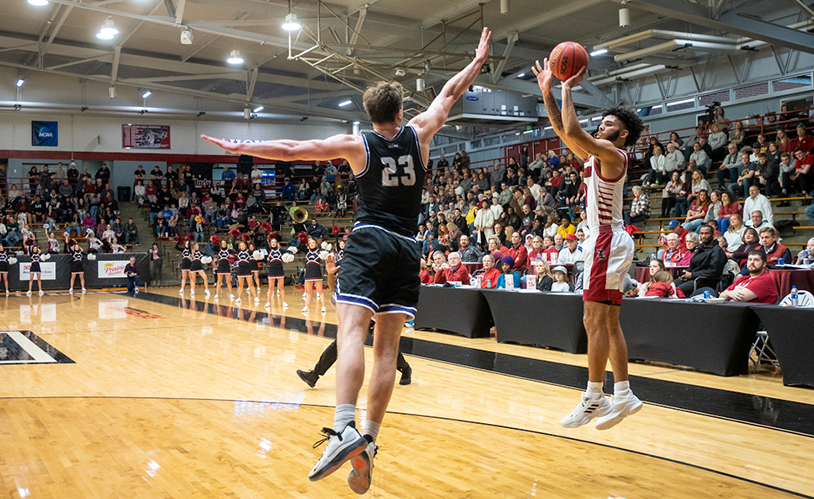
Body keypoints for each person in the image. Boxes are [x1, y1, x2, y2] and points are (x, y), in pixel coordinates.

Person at [204, 27, 492, 493]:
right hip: (408, 247)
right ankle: (370, 442)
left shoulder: (358, 144)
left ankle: (343, 429)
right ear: (402, 111)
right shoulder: (421, 133)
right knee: (388, 351)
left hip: (370, 239)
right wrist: (477, 59)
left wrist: (240, 147)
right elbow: (450, 91)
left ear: (371, 114)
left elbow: (293, 151)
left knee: (352, 333)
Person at [534, 56, 644, 430]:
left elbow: (575, 132)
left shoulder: (614, 155)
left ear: (623, 134)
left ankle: (593, 396)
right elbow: (565, 131)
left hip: (606, 241)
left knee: (593, 320)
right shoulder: (597, 154)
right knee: (608, 323)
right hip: (606, 241)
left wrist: (566, 87)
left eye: (610, 123)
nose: (602, 125)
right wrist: (549, 92)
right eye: (602, 121)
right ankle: (624, 393)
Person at [675, 225, 726, 296]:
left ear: (712, 235)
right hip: (694, 278)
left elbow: (714, 272)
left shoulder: (717, 251)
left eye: (706, 233)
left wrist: (692, 275)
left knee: (676, 290)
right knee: (669, 286)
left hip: (706, 281)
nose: (704, 236)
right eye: (701, 233)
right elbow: (693, 266)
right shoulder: (700, 248)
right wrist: (686, 273)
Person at [302, 237, 326, 314]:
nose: (312, 244)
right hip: (309, 273)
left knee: (320, 291)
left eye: (313, 243)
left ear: (316, 244)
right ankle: (306, 306)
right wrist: (303, 238)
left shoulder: (319, 251)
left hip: (317, 272)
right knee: (309, 291)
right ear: (308, 244)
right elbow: (299, 246)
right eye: (310, 243)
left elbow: (326, 254)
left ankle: (323, 306)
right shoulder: (307, 251)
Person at [264, 238, 287, 309]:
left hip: (280, 270)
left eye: (275, 242)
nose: (273, 243)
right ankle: (268, 302)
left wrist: (291, 252)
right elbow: (265, 242)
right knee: (271, 287)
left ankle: (283, 302)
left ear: (277, 243)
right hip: (272, 270)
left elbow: (288, 251)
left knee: (281, 287)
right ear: (270, 244)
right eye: (272, 242)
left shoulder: (280, 250)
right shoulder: (269, 250)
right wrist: (265, 231)